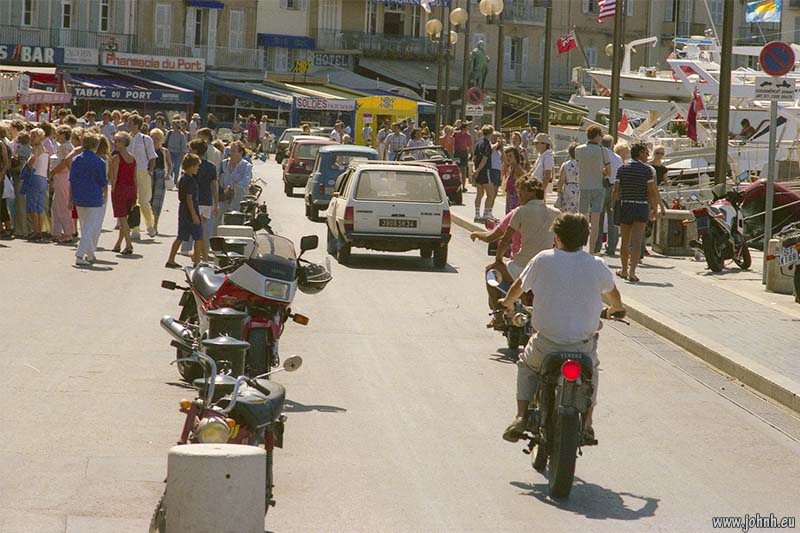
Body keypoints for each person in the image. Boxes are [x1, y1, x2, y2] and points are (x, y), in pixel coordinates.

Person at [498, 212, 626, 443]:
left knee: (526, 365)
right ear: (586, 238)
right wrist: (617, 308)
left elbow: (518, 286)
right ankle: (587, 424)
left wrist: (507, 303)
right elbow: (613, 294)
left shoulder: (543, 259)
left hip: (546, 343)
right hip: (582, 346)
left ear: (556, 236)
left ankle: (520, 416)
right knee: (591, 374)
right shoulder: (596, 264)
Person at [488, 178, 559, 318]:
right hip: (548, 267)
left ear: (532, 192)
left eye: (521, 193)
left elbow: (505, 240)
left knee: (490, 272)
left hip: (521, 266)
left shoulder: (520, 211)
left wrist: (498, 259)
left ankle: (498, 315)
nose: (518, 196)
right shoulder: (556, 213)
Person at [612, 142, 665, 283]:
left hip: (626, 206)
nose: (648, 155)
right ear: (640, 152)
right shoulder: (647, 170)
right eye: (646, 152)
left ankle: (623, 269)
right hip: (641, 206)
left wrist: (613, 207)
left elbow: (616, 190)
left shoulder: (622, 168)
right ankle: (632, 272)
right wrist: (654, 208)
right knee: (636, 242)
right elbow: (652, 191)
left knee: (624, 241)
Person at [70, 134, 108, 266]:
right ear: (95, 145)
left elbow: (72, 181)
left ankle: (90, 254)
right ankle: (80, 255)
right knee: (89, 227)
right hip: (93, 197)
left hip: (79, 196)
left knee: (84, 226)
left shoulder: (76, 160)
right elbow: (103, 181)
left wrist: (71, 199)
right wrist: (104, 195)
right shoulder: (99, 162)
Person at [575, 125, 610, 255]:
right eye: (601, 135)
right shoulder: (603, 151)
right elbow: (609, 171)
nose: (602, 138)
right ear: (597, 136)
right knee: (595, 222)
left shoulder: (579, 150)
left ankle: (579, 247)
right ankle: (591, 250)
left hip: (584, 186)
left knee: (582, 219)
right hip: (598, 187)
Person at [180, 139, 217, 261]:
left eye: (191, 149)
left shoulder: (193, 165)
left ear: (196, 150)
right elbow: (214, 186)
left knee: (198, 233)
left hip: (195, 201)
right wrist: (216, 204)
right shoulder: (211, 167)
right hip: (207, 201)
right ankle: (200, 256)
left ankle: (199, 257)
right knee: (201, 231)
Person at [166, 154, 203, 268]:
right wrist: (194, 215)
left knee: (181, 236)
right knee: (198, 236)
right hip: (190, 210)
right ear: (191, 166)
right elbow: (189, 198)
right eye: (197, 166)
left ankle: (171, 259)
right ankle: (197, 262)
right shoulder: (190, 180)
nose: (198, 168)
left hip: (182, 210)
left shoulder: (183, 178)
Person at [128, 115, 157, 239]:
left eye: (130, 123)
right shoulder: (127, 138)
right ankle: (135, 229)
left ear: (136, 125)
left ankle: (150, 226)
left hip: (142, 171)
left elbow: (152, 156)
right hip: (129, 173)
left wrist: (150, 171)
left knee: (144, 200)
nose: (128, 125)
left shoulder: (146, 139)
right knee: (132, 201)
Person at [109, 132, 137, 255]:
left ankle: (129, 244)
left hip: (120, 189)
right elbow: (135, 177)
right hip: (131, 189)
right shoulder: (132, 158)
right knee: (124, 217)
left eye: (117, 141)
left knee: (122, 218)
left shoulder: (117, 158)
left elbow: (114, 177)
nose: (115, 143)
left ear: (123, 143)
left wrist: (113, 189)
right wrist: (136, 192)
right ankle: (118, 244)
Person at [594, 134, 622, 255]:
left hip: (601, 187)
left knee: (598, 218)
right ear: (612, 144)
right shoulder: (618, 158)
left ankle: (596, 245)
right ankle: (611, 247)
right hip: (614, 188)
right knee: (612, 219)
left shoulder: (599, 156)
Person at [23, 128, 50, 242]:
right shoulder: (46, 149)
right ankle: (40, 229)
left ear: (40, 138)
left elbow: (32, 159)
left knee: (32, 204)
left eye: (34, 136)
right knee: (40, 205)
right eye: (31, 136)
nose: (32, 138)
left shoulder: (36, 148)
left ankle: (36, 230)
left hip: (35, 177)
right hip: (43, 178)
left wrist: (28, 167)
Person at [217, 141, 252, 224]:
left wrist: (232, 187)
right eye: (230, 151)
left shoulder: (246, 166)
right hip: (225, 195)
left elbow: (245, 181)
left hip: (238, 195)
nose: (231, 153)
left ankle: (233, 212)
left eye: (233, 151)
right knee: (217, 215)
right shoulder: (224, 163)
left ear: (241, 152)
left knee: (239, 190)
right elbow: (219, 177)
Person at [149, 128, 172, 236]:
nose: (155, 140)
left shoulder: (165, 151)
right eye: (153, 138)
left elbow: (170, 164)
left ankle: (155, 225)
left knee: (158, 201)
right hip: (150, 174)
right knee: (148, 199)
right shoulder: (148, 150)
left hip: (161, 175)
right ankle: (149, 223)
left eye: (157, 138)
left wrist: (168, 174)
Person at [472, 124, 498, 222]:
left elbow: (474, 157)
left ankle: (477, 215)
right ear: (490, 133)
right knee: (491, 194)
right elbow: (484, 159)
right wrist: (478, 170)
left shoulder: (479, 144)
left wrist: (474, 170)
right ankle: (486, 215)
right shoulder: (487, 144)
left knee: (479, 194)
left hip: (478, 171)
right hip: (485, 170)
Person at [556, 142, 580, 214]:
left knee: (567, 210)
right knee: (578, 211)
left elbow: (561, 180)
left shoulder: (565, 165)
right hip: (579, 188)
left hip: (568, 188)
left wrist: (559, 191)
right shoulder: (582, 164)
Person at [502, 146, 526, 214]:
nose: (508, 158)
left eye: (510, 156)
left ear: (515, 157)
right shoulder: (511, 168)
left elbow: (526, 179)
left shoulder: (517, 168)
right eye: (507, 156)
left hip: (516, 200)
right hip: (510, 199)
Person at [530, 133, 554, 197]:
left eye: (538, 143)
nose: (536, 145)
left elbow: (547, 176)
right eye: (535, 143)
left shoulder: (548, 156)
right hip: (535, 187)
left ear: (545, 144)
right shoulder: (541, 156)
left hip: (539, 188)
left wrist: (542, 191)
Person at [166, 120, 188, 185]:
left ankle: (175, 181)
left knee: (177, 167)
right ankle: (170, 181)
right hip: (170, 152)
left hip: (178, 153)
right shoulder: (170, 133)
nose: (172, 126)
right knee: (170, 167)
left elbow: (183, 146)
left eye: (174, 125)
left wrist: (183, 154)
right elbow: (165, 141)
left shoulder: (181, 135)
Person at [453, 122, 472, 192]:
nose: (468, 129)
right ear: (463, 128)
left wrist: (471, 154)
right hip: (457, 153)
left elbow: (469, 145)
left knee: (464, 169)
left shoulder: (468, 136)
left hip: (464, 153)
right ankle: (457, 186)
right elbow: (452, 141)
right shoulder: (456, 134)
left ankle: (463, 186)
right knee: (457, 169)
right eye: (467, 128)